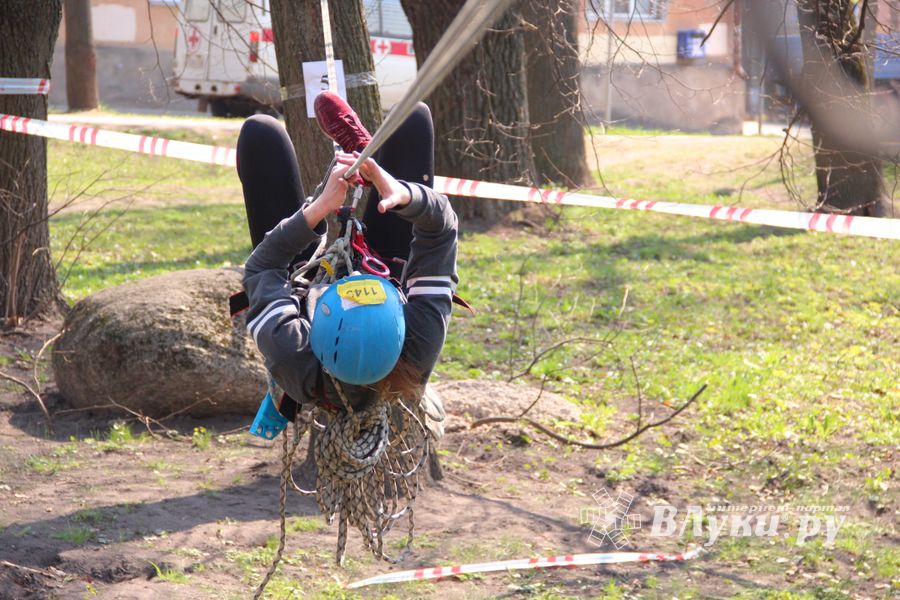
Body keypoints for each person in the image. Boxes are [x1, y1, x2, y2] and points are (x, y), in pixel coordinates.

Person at [236, 93, 457, 419]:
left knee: (260, 133)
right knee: (413, 116)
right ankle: (374, 168)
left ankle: (368, 164)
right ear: (398, 321)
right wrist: (401, 192)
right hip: (385, 266)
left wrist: (318, 209)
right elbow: (441, 227)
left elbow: (262, 267)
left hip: (302, 277)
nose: (348, 275)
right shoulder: (418, 345)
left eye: (338, 293)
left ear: (314, 331)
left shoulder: (293, 355)